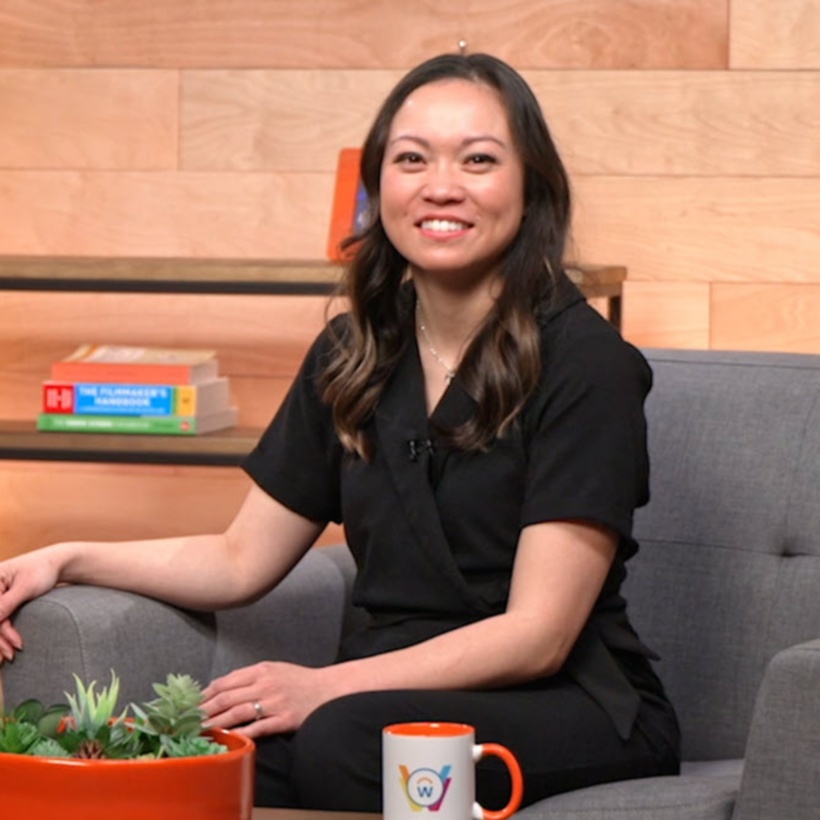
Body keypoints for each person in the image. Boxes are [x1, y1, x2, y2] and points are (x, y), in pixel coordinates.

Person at [0, 52, 680, 809]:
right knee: (186, 751)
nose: (440, 186)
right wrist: (64, 558)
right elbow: (238, 560)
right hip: (375, 698)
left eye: (478, 160)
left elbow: (538, 634)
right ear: (378, 186)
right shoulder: (352, 353)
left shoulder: (588, 363)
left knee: (344, 742)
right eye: (412, 159)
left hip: (569, 703)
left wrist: (324, 687)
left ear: (533, 186)